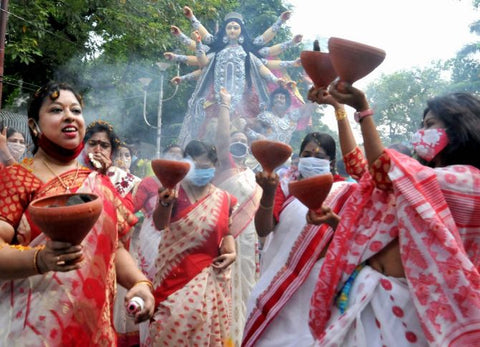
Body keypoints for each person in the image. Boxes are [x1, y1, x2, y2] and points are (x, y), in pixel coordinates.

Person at [307, 81, 480, 346]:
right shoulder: (417, 186)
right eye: (422, 124)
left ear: (460, 127)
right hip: (385, 303)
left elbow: (380, 169)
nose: (422, 132)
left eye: (430, 124)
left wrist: (363, 110)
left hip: (411, 310)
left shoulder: (467, 181)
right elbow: (364, 167)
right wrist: (339, 108)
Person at [0, 82, 155, 345]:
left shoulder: (99, 183)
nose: (70, 115)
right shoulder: (17, 179)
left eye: (76, 110)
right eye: (57, 110)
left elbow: (114, 248)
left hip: (94, 327)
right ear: (34, 125)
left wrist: (140, 283)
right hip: (32, 329)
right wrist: (41, 259)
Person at [242, 127, 355, 347]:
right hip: (277, 284)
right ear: (298, 158)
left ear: (331, 163)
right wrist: (267, 192)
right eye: (307, 155)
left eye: (319, 157)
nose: (312, 160)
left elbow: (352, 240)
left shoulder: (345, 192)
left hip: (321, 284)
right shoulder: (284, 186)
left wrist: (330, 220)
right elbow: (264, 229)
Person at [143, 140, 238, 346]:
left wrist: (231, 251)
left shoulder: (225, 199)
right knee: (169, 322)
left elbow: (227, 230)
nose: (199, 172)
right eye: (194, 166)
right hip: (174, 276)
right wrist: (165, 202)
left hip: (209, 279)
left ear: (214, 167)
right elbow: (160, 224)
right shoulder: (173, 191)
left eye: (205, 168)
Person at [168, 6, 301, 146]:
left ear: (241, 31)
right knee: (209, 134)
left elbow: (263, 68)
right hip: (216, 101)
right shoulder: (216, 54)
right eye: (229, 27)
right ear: (225, 31)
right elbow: (202, 67)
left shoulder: (248, 54)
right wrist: (182, 75)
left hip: (244, 102)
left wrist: (276, 79)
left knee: (246, 132)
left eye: (235, 28)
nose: (232, 30)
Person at [212, 88, 262, 345]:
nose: (239, 142)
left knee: (247, 290)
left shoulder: (256, 176)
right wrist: (225, 105)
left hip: (250, 246)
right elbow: (221, 140)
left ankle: (245, 338)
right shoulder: (225, 167)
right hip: (224, 241)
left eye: (244, 140)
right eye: (235, 140)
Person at [82, 120, 141, 211]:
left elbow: (126, 213)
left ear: (111, 152)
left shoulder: (120, 177)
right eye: (92, 144)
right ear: (83, 147)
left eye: (104, 146)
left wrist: (105, 176)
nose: (98, 150)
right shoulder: (74, 171)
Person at [245, 87, 316, 144]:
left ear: (287, 102)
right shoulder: (265, 116)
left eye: (282, 98)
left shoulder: (291, 117)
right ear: (272, 101)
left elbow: (311, 106)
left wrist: (311, 87)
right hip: (264, 154)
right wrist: (258, 136)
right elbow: (245, 127)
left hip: (283, 157)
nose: (278, 99)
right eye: (276, 97)